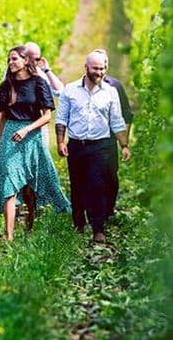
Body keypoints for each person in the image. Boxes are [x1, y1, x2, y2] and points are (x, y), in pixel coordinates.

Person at [0, 46, 71, 241]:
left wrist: (27, 129)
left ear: (25, 61)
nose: (11, 63)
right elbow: (0, 112)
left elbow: (46, 116)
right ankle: (9, 235)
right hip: (11, 134)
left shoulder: (38, 83)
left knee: (28, 185)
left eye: (14, 59)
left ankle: (31, 220)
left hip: (32, 133)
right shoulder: (6, 86)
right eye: (9, 60)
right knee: (9, 182)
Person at [55, 50, 131, 243]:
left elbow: (117, 121)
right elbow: (61, 119)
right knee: (78, 185)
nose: (100, 72)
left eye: (103, 68)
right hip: (77, 146)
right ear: (86, 68)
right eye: (96, 68)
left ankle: (98, 228)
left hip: (101, 146)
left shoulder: (110, 92)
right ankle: (79, 223)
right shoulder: (70, 91)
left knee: (97, 185)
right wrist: (60, 142)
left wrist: (124, 145)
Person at [94, 49, 133, 218]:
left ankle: (109, 208)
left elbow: (126, 114)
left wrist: (124, 142)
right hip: (91, 139)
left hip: (110, 139)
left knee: (110, 175)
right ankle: (95, 211)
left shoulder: (115, 86)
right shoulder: (82, 86)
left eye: (104, 65)